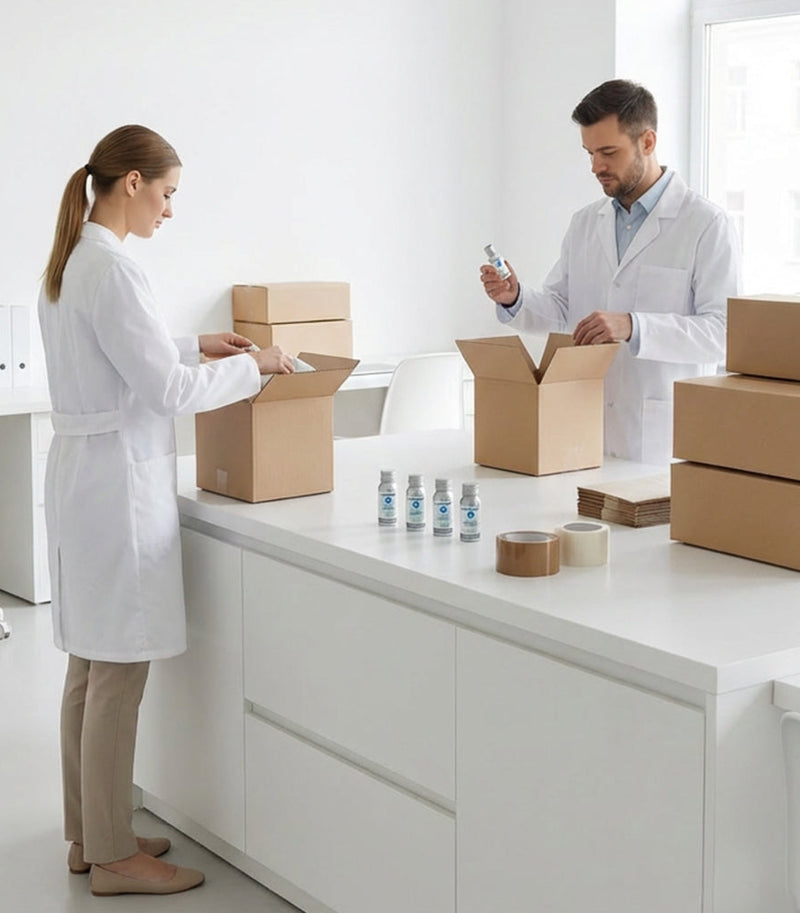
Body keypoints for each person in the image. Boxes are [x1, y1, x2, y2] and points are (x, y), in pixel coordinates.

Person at [39, 124, 295, 897]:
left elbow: (126, 355)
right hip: (116, 487)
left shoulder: (76, 260)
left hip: (87, 478)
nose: (170, 210)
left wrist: (192, 341)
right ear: (131, 184)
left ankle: (93, 830)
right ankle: (118, 858)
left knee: (90, 664)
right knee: (116, 672)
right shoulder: (113, 270)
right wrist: (257, 365)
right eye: (168, 193)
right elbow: (165, 393)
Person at [480, 79, 741, 464]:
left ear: (647, 142)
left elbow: (724, 334)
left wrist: (635, 326)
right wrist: (515, 297)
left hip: (662, 439)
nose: (596, 166)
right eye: (589, 153)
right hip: (585, 431)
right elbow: (564, 311)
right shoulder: (586, 223)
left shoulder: (705, 224)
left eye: (608, 152)